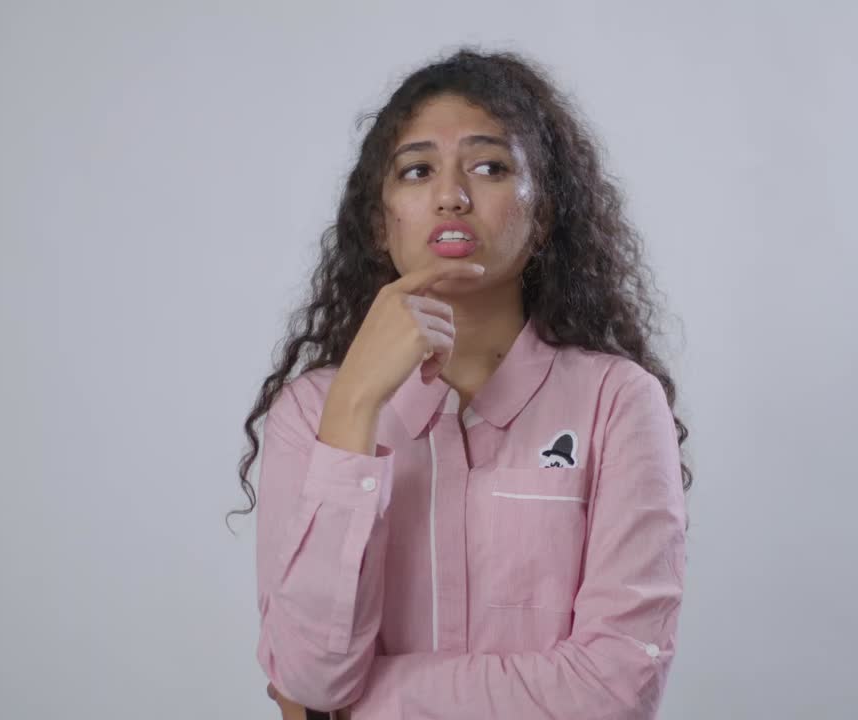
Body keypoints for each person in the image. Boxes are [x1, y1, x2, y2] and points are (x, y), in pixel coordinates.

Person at [226, 47, 694, 719]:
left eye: (489, 167)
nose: (451, 195)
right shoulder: (312, 411)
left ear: (544, 215)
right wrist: (355, 404)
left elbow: (615, 691)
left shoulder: (617, 403)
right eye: (418, 171)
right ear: (380, 222)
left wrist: (354, 709)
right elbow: (310, 673)